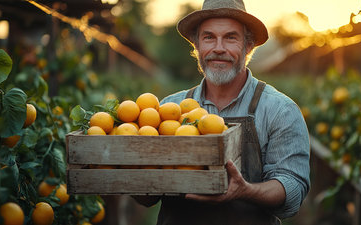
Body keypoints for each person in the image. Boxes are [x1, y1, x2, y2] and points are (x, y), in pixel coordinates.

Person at [133, 0, 310, 224]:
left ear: (248, 47)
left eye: (230, 37)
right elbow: (147, 197)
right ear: (196, 45)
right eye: (209, 37)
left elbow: (293, 187)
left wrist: (246, 191)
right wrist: (129, 170)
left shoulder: (279, 110)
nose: (218, 48)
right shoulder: (167, 110)